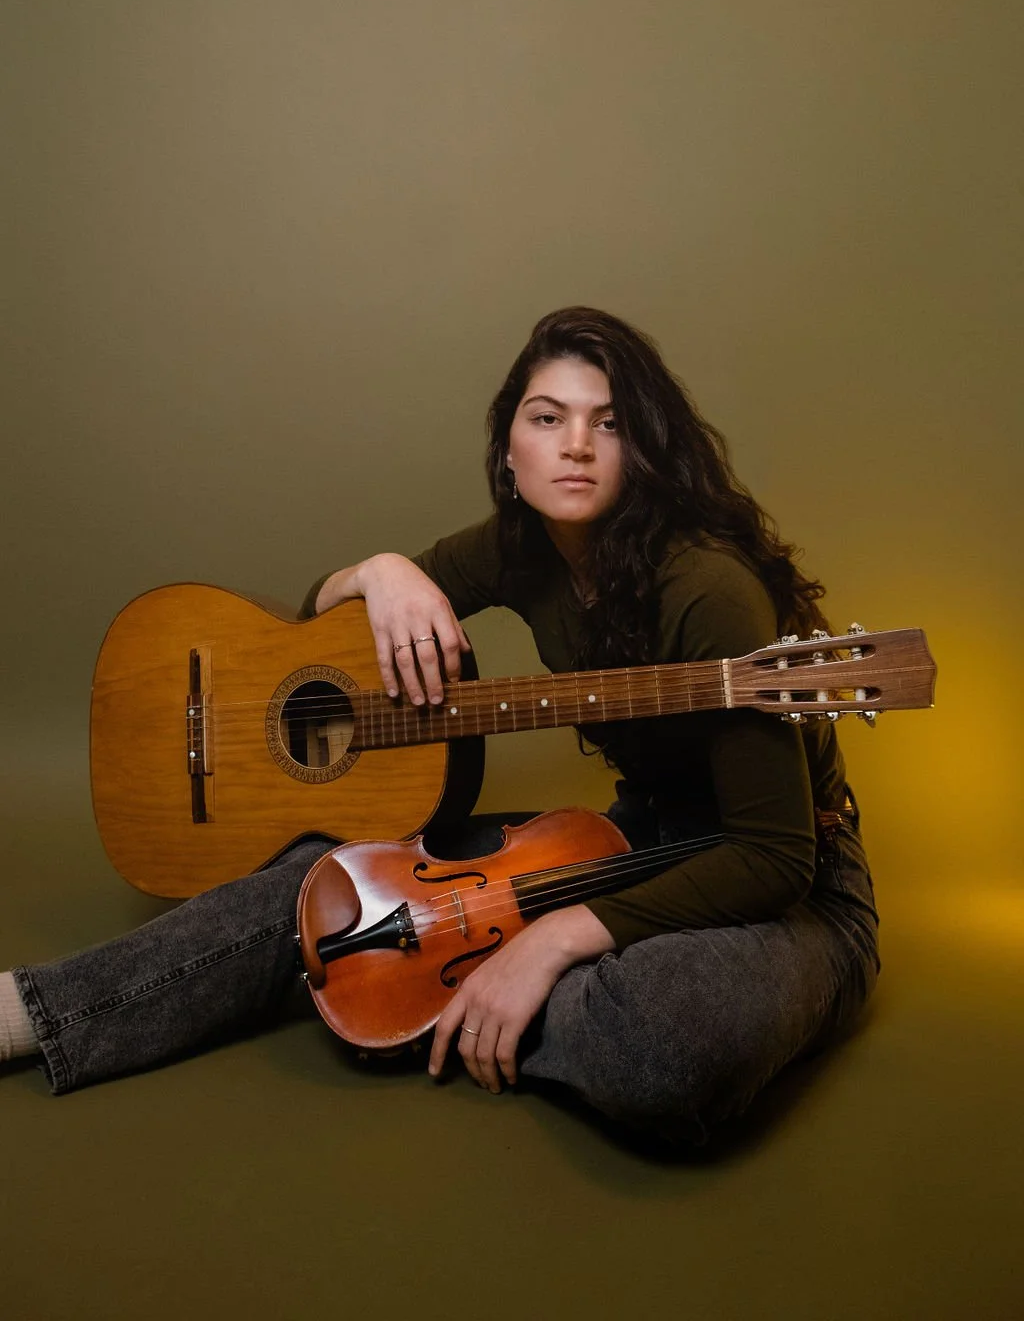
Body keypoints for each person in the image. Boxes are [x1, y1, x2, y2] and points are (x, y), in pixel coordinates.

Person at [0, 308, 879, 1145]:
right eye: (548, 418)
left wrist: (549, 944)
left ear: (644, 449)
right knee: (339, 881)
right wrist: (378, 572)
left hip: (794, 885)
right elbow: (314, 621)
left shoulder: (707, 589)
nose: (575, 445)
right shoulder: (522, 545)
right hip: (632, 845)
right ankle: (33, 1014)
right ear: (510, 448)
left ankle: (399, 991)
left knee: (663, 1041)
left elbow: (774, 856)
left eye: (608, 424)